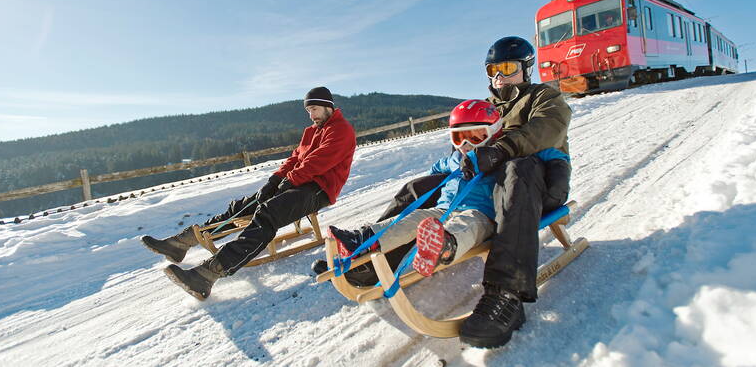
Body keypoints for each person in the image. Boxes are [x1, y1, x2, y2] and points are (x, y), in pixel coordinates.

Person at [142, 86, 356, 300]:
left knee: (269, 213)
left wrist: (290, 181)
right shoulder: (311, 131)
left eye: (315, 109)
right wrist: (274, 181)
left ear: (328, 106)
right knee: (243, 205)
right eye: (308, 111)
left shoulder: (341, 130)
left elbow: (318, 162)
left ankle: (206, 274)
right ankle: (179, 244)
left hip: (319, 189)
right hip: (298, 181)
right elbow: (294, 159)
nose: (312, 115)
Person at [328, 100, 568, 280]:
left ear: (495, 131)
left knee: (466, 226)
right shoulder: (455, 159)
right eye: (458, 137)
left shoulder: (501, 155)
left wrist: (557, 163)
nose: (465, 145)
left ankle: (444, 246)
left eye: (475, 136)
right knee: (412, 219)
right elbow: (438, 168)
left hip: (482, 215)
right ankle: (364, 240)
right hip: (443, 209)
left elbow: (544, 151)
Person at [457, 36, 572, 348]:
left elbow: (548, 128)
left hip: (541, 180)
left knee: (517, 168)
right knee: (430, 182)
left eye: (507, 68)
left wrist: (501, 149)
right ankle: (379, 249)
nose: (499, 76)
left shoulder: (544, 97)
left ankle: (506, 294)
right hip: (497, 188)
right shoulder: (487, 108)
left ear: (526, 68)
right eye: (492, 69)